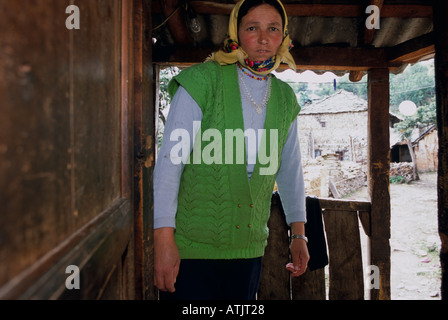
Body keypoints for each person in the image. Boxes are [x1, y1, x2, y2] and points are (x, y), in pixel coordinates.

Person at [153, 0, 309, 300]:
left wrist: (299, 233)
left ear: (283, 36)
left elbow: (290, 170)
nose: (263, 38)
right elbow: (171, 162)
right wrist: (163, 240)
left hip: (248, 248)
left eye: (273, 29)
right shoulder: (202, 81)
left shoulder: (286, 98)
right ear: (236, 32)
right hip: (191, 248)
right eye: (252, 28)